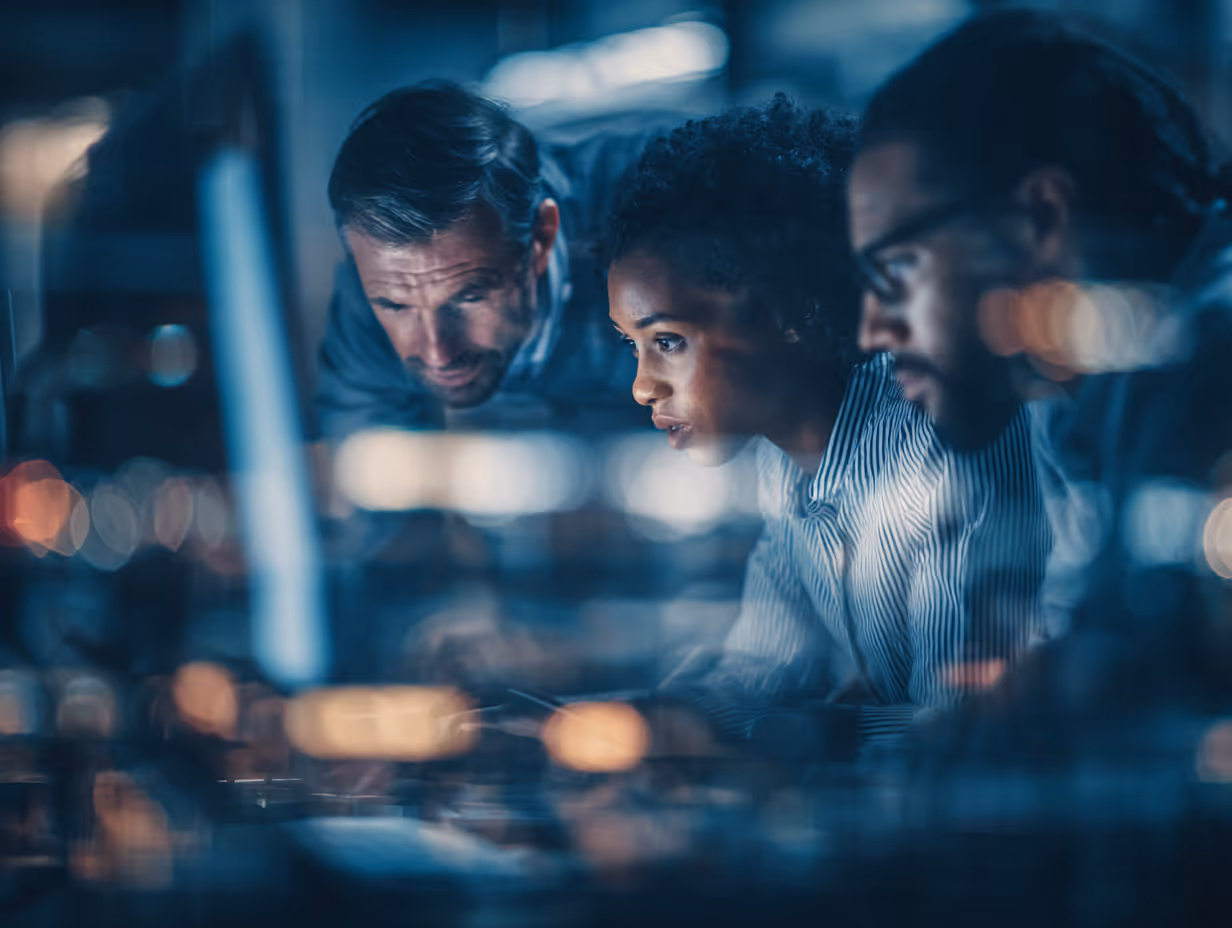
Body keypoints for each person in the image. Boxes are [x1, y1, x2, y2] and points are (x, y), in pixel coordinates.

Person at [606, 96, 1051, 756]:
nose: (642, 385)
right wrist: (633, 726)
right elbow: (766, 665)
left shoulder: (943, 445)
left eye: (668, 340)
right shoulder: (784, 464)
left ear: (793, 312)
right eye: (630, 346)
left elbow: (966, 729)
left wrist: (815, 730)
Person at [847, 9, 1232, 723]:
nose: (872, 331)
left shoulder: (1206, 369)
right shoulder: (1076, 402)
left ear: (1041, 218)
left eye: (896, 269)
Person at [318, 80, 653, 440]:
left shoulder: (667, 214)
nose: (437, 352)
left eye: (468, 296)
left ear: (542, 238)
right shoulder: (371, 295)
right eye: (396, 306)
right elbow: (365, 464)